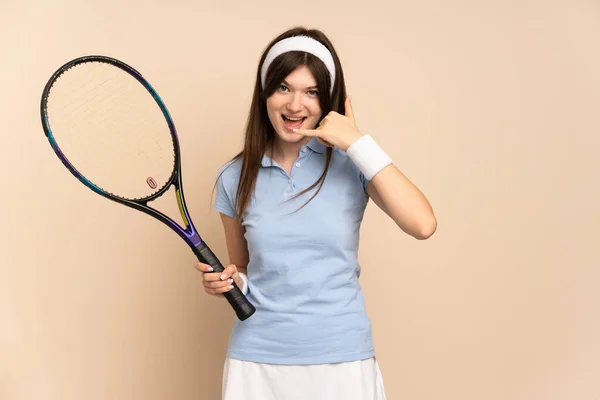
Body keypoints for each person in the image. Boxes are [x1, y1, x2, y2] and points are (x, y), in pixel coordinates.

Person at [195, 26, 437, 400]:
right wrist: (228, 283)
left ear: (329, 101)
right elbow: (242, 268)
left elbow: (422, 224)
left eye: (312, 92)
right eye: (283, 88)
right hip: (257, 361)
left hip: (341, 359)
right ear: (265, 95)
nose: (296, 106)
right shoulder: (235, 176)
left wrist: (356, 142)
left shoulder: (352, 163)